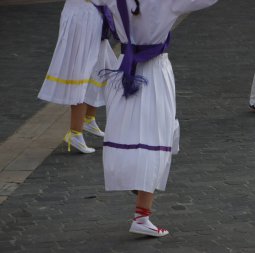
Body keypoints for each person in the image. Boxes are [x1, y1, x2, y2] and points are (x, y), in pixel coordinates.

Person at [91, 0, 218, 237]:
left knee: (130, 135)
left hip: (124, 71)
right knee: (155, 137)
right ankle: (141, 214)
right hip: (154, 72)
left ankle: (138, 190)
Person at [38, 0, 117, 153]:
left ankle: (88, 119)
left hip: (93, 13)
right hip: (82, 16)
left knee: (99, 65)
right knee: (81, 69)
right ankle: (75, 132)